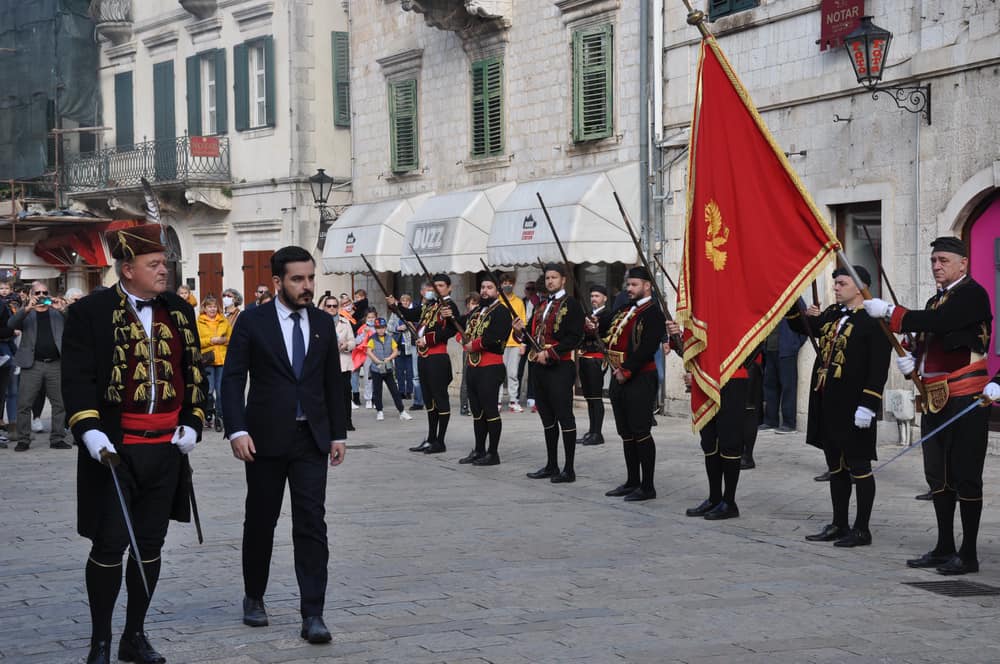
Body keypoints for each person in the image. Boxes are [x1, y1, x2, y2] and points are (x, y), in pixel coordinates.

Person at [62, 224, 206, 664]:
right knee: (109, 544)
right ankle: (100, 640)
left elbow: (193, 373)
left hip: (165, 450)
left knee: (150, 544)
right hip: (114, 449)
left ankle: (134, 634)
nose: (165, 270)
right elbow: (78, 378)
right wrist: (90, 431)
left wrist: (193, 424)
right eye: (155, 264)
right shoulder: (89, 312)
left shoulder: (180, 311)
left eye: (165, 263)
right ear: (128, 269)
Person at [222, 245, 347, 642]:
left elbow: (332, 382)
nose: (307, 286)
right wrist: (237, 430)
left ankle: (313, 614)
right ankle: (254, 596)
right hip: (263, 440)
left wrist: (338, 433)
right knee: (261, 521)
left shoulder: (323, 324)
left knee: (312, 524)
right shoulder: (252, 322)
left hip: (310, 440)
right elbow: (232, 378)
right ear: (278, 282)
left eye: (310, 278)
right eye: (298, 279)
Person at [864, 236, 993, 575]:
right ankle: (944, 545)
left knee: (966, 475)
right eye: (934, 260)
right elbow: (933, 337)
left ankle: (968, 554)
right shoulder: (937, 300)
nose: (937, 266)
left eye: (944, 260)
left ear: (963, 263)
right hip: (935, 398)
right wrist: (913, 358)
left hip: (966, 396)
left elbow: (943, 324)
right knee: (939, 475)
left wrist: (893, 313)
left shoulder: (972, 294)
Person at [789, 266, 891, 547]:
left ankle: (862, 529)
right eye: (835, 283)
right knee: (836, 466)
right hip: (829, 401)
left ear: (859, 287)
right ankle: (839, 523)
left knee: (859, 465)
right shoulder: (835, 314)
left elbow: (878, 368)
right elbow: (806, 327)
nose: (836, 287)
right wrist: (788, 302)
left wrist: (869, 404)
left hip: (856, 405)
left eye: (841, 283)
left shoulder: (874, 320)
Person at [513, 264, 583, 483]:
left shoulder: (571, 304)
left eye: (554, 277)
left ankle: (568, 468)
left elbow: (575, 337)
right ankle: (551, 464)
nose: (550, 281)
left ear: (563, 280)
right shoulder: (541, 305)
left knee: (564, 416)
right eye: (548, 278)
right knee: (547, 417)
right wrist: (519, 332)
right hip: (539, 368)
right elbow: (532, 336)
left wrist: (551, 353)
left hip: (560, 367)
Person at [601, 268, 665, 501]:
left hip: (639, 378)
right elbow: (605, 327)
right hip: (619, 376)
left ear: (647, 286)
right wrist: (593, 326)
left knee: (640, 431)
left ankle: (647, 486)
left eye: (634, 285)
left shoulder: (653, 314)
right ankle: (632, 481)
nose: (629, 289)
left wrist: (628, 370)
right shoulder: (625, 308)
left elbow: (647, 347)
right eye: (628, 285)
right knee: (625, 432)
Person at [387, 275, 460, 454]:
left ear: (449, 288)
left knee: (440, 398)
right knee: (429, 400)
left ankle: (440, 441)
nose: (437, 289)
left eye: (441, 286)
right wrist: (395, 306)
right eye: (434, 286)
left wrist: (427, 339)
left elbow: (452, 329)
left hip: (437, 358)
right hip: (424, 357)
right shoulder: (430, 305)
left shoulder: (449, 306)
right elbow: (412, 314)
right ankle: (431, 438)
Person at [457, 275, 512, 465]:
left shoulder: (502, 312)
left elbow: (496, 337)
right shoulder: (477, 311)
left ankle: (493, 452)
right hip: (473, 366)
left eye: (489, 287)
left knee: (490, 411)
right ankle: (479, 449)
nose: (484, 291)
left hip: (490, 366)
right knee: (477, 412)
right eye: (482, 287)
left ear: (497, 290)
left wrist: (475, 345)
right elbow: (460, 325)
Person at [9, 281, 70, 451]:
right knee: (24, 404)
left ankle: (57, 438)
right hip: (32, 365)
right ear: (31, 295)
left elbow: (74, 324)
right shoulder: (26, 313)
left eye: (45, 292)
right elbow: (11, 325)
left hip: (56, 364)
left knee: (60, 403)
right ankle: (23, 439)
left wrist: (63, 309)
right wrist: (27, 308)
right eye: (37, 293)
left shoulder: (57, 313)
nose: (42, 296)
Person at [579, 283, 612, 446]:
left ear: (604, 298)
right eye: (592, 296)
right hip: (585, 356)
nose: (593, 299)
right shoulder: (588, 314)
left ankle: (597, 433)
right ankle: (592, 430)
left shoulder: (607, 315)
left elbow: (605, 331)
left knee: (596, 397)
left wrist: (594, 328)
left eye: (597, 296)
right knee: (589, 397)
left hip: (597, 357)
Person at [761, 319, 806, 433]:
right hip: (770, 350)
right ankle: (770, 421)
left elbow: (804, 325)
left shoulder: (794, 301)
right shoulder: (770, 303)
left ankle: (789, 423)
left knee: (788, 387)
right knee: (770, 386)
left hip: (787, 351)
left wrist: (793, 344)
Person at [319, 295, 356, 431]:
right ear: (324, 307)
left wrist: (346, 345)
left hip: (343, 363)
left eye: (335, 306)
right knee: (326, 394)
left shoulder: (345, 322)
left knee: (345, 394)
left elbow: (353, 342)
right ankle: (327, 421)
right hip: (325, 365)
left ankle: (347, 421)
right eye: (329, 306)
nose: (332, 308)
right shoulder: (318, 323)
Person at [366, 317, 413, 422]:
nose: (380, 330)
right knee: (377, 391)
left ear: (385, 328)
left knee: (395, 391)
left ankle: (401, 411)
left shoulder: (390, 338)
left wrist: (389, 358)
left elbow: (395, 351)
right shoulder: (372, 339)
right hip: (376, 369)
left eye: (382, 327)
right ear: (375, 328)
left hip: (388, 369)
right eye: (378, 328)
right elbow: (369, 351)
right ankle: (379, 411)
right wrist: (376, 360)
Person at [197, 295, 231, 433]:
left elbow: (231, 338)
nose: (212, 309)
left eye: (214, 306)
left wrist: (223, 340)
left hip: (222, 360)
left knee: (221, 391)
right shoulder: (199, 322)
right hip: (208, 360)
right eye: (209, 306)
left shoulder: (224, 321)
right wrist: (212, 340)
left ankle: (219, 417)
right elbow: (197, 341)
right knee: (209, 390)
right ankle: (208, 412)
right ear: (204, 308)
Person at [497, 274, 526, 412]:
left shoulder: (519, 302)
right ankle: (497, 401)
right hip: (500, 344)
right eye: (504, 283)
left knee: (513, 373)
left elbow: (523, 323)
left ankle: (513, 400)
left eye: (509, 282)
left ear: (513, 284)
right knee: (498, 374)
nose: (507, 285)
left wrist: (523, 344)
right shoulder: (497, 301)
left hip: (515, 343)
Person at [458, 293, 480, 415]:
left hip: (478, 349)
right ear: (467, 305)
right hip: (467, 350)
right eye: (472, 303)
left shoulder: (481, 317)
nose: (474, 306)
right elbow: (457, 333)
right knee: (466, 379)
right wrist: (462, 340)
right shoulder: (465, 317)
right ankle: (464, 406)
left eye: (476, 303)